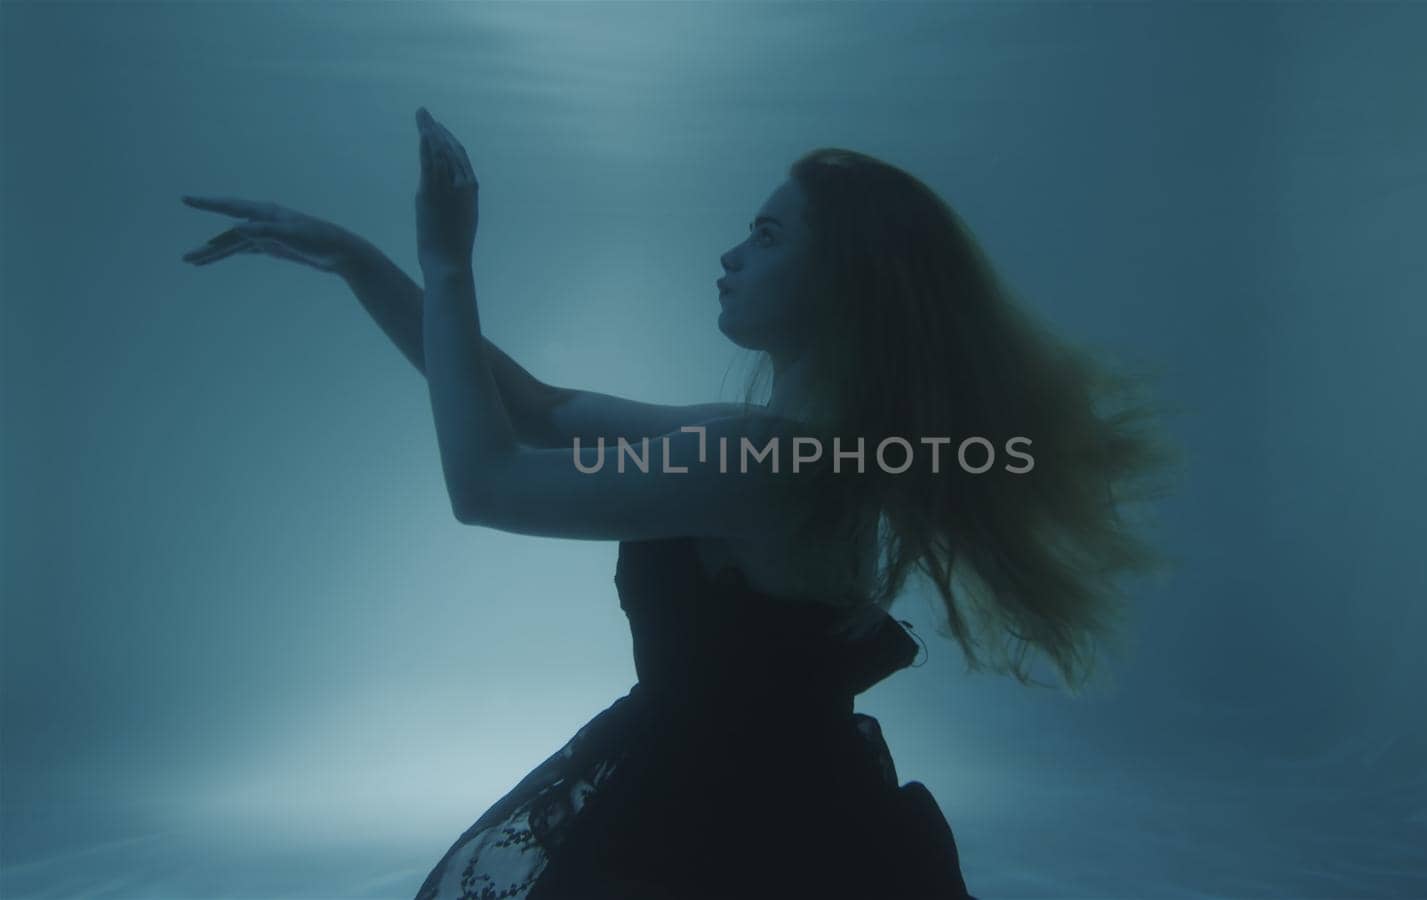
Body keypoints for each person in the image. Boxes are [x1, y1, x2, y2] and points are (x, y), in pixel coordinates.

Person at [181, 107, 1179, 899]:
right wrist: (363, 265)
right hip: (758, 801)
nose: (732, 254)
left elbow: (486, 483)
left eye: (766, 233)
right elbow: (529, 410)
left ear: (842, 283)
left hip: (730, 829)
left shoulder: (760, 460)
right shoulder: (786, 448)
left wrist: (447, 261)